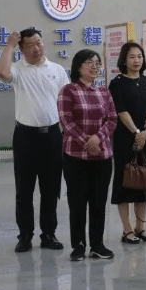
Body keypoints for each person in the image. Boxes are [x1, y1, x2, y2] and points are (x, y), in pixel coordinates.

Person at [0, 28, 69, 253]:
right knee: (24, 189)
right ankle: (25, 235)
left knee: (51, 189)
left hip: (52, 136)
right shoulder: (17, 69)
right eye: (30, 45)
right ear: (21, 49)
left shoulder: (56, 70)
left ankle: (48, 233)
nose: (36, 48)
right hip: (25, 137)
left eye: (39, 43)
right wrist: (9, 44)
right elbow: (2, 73)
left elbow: (66, 102)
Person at [58, 50, 118, 261]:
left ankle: (97, 245)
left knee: (98, 202)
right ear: (78, 66)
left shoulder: (104, 91)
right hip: (75, 157)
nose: (94, 66)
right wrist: (87, 141)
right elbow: (67, 122)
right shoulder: (68, 91)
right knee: (77, 202)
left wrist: (97, 139)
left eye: (97, 63)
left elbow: (112, 120)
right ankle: (78, 246)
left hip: (102, 156)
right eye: (89, 62)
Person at [108, 42, 146, 245]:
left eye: (139, 56)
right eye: (132, 57)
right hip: (125, 138)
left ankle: (141, 227)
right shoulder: (117, 83)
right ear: (124, 59)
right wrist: (136, 132)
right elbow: (121, 111)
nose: (136, 60)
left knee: (144, 180)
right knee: (125, 181)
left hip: (145, 138)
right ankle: (127, 230)